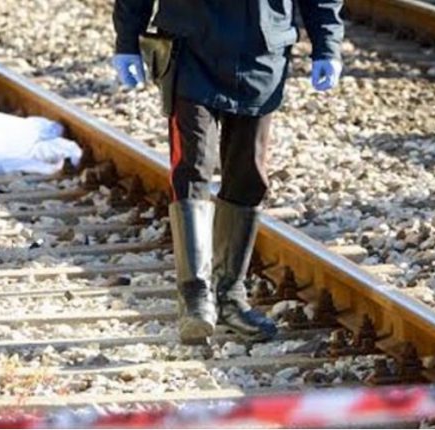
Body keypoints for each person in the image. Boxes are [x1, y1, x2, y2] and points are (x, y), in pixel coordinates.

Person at [111, 0, 344, 343]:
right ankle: (195, 298)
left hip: (262, 53)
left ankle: (229, 296)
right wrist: (127, 40)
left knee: (248, 176)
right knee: (192, 168)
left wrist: (328, 46)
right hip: (190, 47)